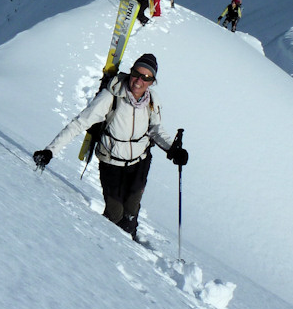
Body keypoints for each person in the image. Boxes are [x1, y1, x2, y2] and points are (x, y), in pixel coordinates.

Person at [32, 54, 188, 241]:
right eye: (137, 74)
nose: (139, 81)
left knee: (131, 212)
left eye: (146, 77)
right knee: (115, 214)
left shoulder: (152, 100)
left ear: (152, 81)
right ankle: (109, 252)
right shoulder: (111, 96)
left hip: (139, 163)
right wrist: (50, 151)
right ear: (131, 72)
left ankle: (131, 245)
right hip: (111, 163)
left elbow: (155, 129)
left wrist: (173, 149)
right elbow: (79, 123)